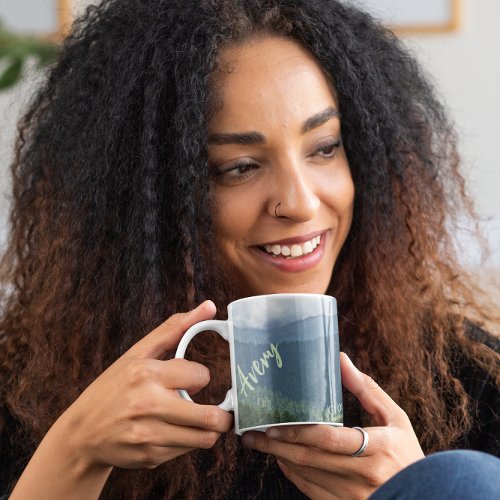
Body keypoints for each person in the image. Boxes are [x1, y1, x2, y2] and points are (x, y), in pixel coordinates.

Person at [0, 0, 498, 498]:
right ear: (141, 202)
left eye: (324, 147)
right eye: (239, 167)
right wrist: (76, 450)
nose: (300, 203)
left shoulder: (465, 378)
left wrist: (412, 488)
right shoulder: (26, 390)